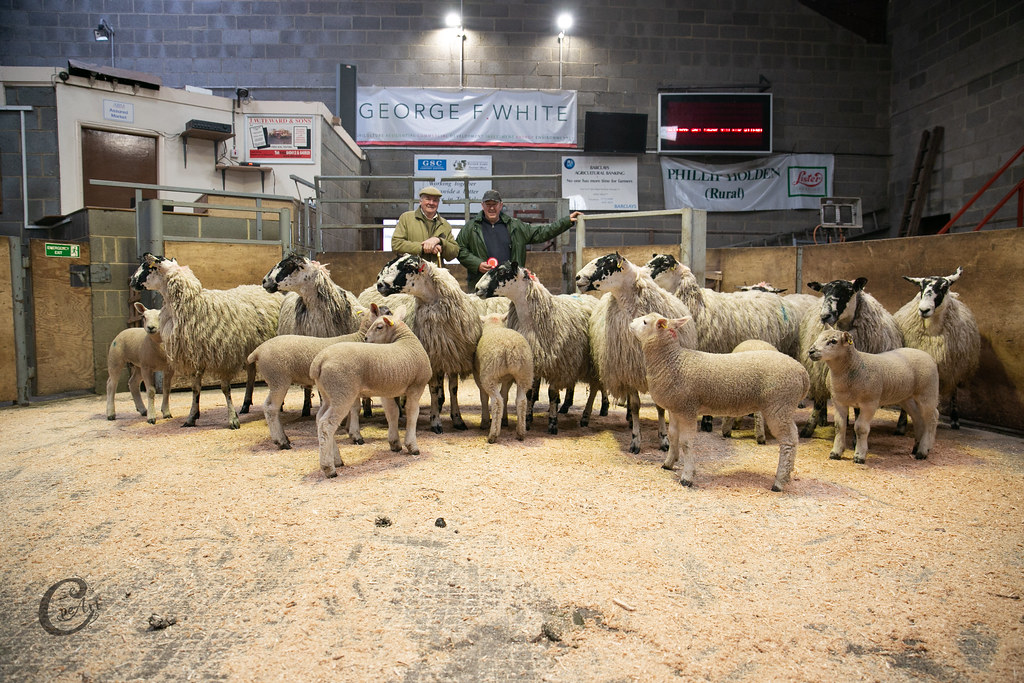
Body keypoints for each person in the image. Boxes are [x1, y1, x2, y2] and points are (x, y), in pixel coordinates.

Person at [456, 189, 582, 290]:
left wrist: (565, 222)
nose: (491, 208)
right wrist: (477, 264)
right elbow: (459, 249)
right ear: (482, 206)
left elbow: (541, 232)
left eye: (494, 204)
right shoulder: (471, 228)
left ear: (501, 205)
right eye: (488, 205)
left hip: (511, 286)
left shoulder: (515, 226)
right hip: (483, 284)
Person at [391, 186, 460, 261]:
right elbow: (396, 244)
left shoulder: (444, 224)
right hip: (412, 270)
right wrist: (422, 248)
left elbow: (454, 251)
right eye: (428, 199)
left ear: (438, 203)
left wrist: (440, 242)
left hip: (435, 271)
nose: (431, 203)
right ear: (420, 201)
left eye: (435, 200)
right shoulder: (406, 218)